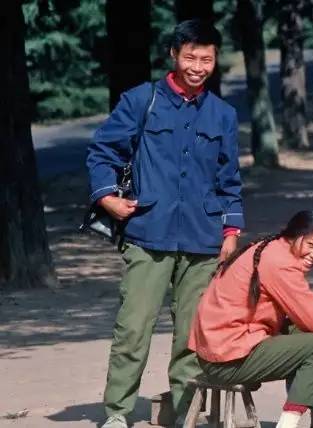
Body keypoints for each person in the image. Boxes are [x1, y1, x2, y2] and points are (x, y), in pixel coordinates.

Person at [86, 20, 244, 428]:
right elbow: (103, 150)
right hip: (147, 233)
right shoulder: (142, 101)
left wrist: (231, 231)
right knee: (133, 328)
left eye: (206, 59)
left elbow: (230, 179)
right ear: (173, 56)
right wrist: (108, 198)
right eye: (190, 57)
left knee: (192, 336)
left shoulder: (223, 114)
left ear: (214, 61)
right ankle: (118, 413)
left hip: (203, 239)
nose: (197, 66)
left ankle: (185, 414)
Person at [189, 210, 313, 428]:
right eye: (310, 245)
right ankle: (288, 423)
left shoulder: (271, 249)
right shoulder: (280, 263)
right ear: (293, 235)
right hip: (227, 359)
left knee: (309, 334)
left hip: (220, 349)